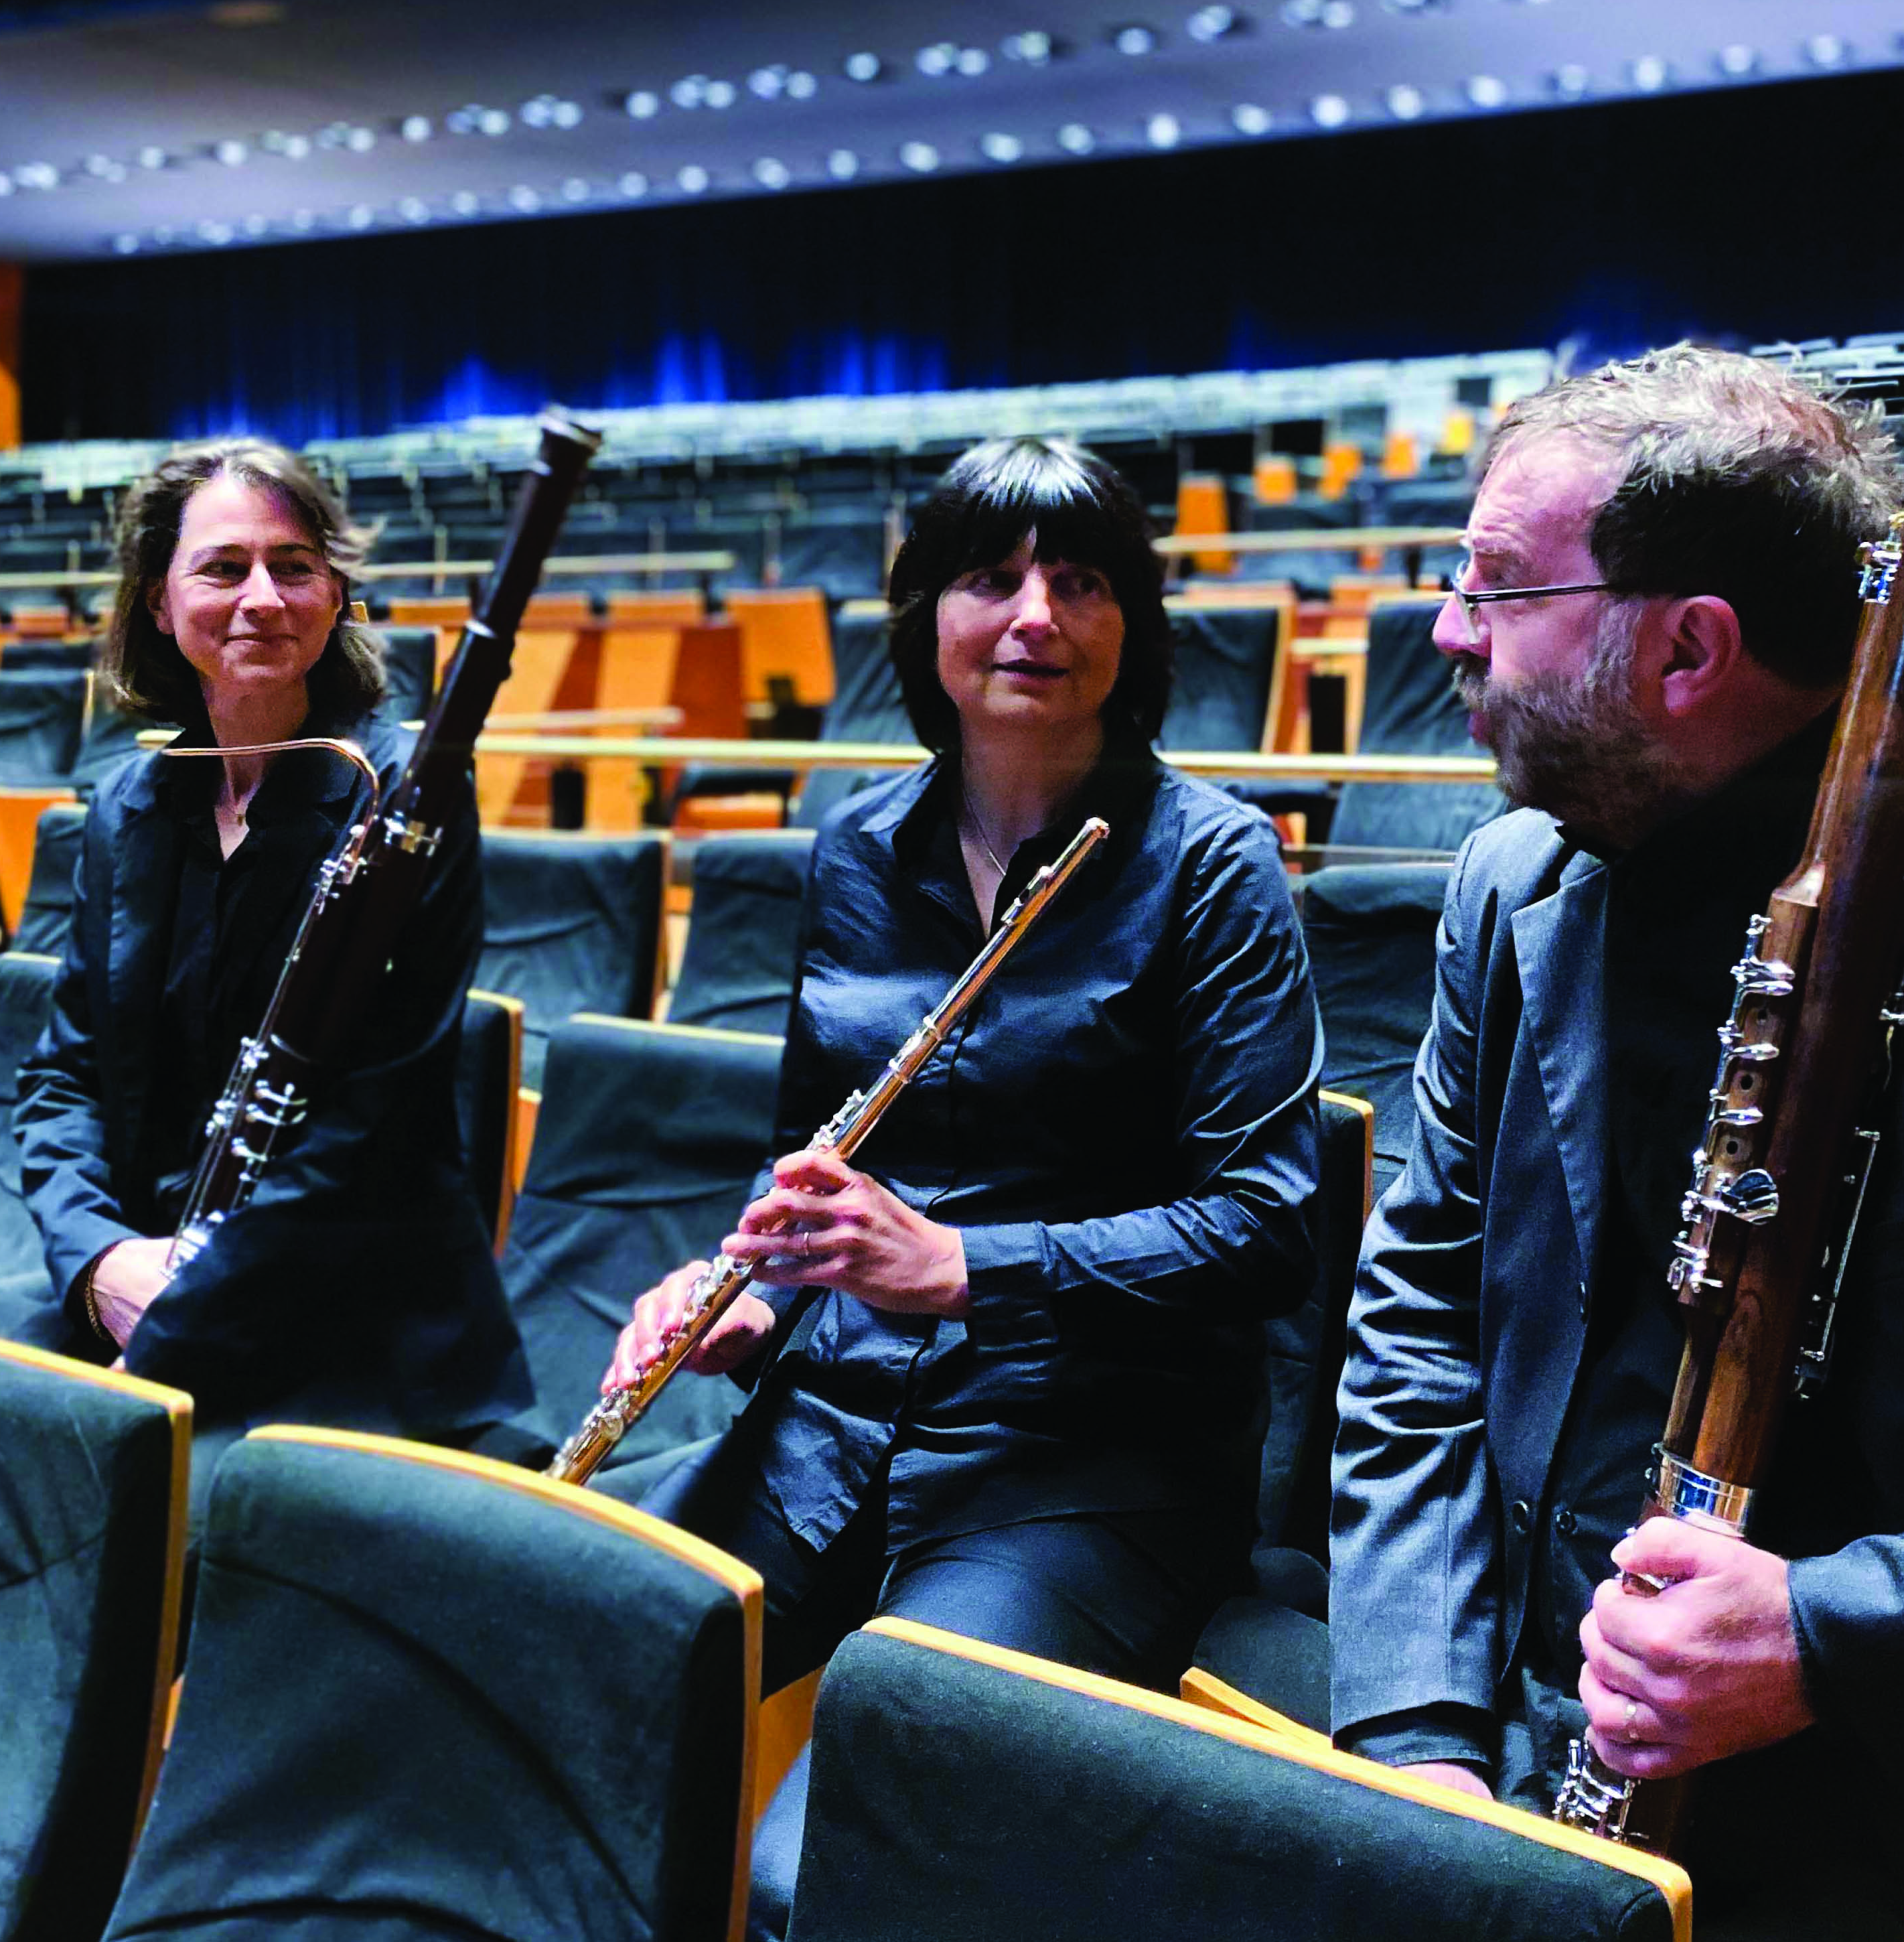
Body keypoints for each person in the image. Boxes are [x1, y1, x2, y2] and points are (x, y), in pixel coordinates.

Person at [607, 436, 1321, 1938]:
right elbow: (821, 1150)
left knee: (827, 1861)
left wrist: (966, 1266)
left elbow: (1266, 1224)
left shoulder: (1212, 864)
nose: (1034, 617)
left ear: (1132, 621)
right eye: (988, 579)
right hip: (829, 1416)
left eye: (1079, 581)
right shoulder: (859, 844)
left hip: (1084, 1463)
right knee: (569, 1678)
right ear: (923, 615)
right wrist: (751, 1288)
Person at [1321, 346, 1904, 1930]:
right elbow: (1418, 1328)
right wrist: (1413, 1727)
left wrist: (1822, 1628)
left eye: (1495, 588)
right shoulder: (1508, 883)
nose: (1443, 630)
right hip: (1514, 1749)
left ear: (1686, 648)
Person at [9, 436, 533, 1456]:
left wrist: (188, 1313)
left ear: (336, 596)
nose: (262, 597)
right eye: (222, 566)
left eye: (295, 567)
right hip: (145, 1276)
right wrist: (97, 1258)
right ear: (159, 602)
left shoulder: (406, 796)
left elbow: (376, 1113)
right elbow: (61, 1073)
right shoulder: (126, 804)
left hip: (352, 1316)